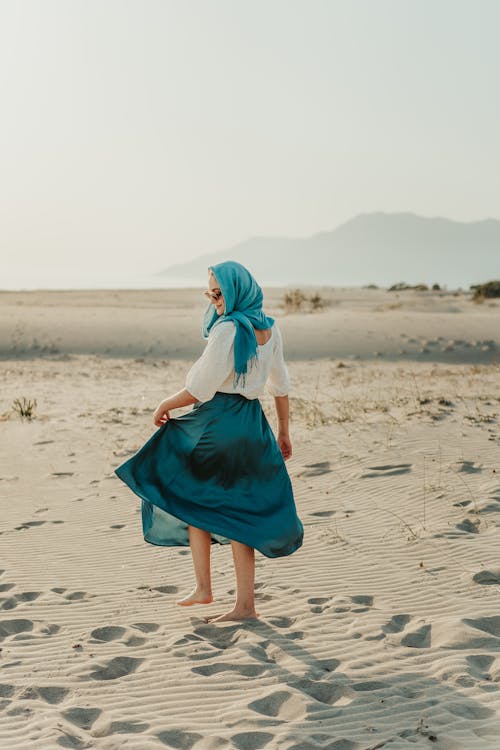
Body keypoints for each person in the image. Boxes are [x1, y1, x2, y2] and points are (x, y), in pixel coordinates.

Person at [114, 260, 304, 623]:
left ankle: (237, 603)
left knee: (198, 497)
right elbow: (280, 385)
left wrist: (166, 403)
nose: (214, 299)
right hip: (253, 425)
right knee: (211, 502)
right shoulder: (270, 328)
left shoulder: (229, 329)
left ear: (236, 291)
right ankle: (211, 591)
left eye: (219, 293)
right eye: (210, 292)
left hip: (219, 423)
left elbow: (201, 385)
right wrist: (282, 430)